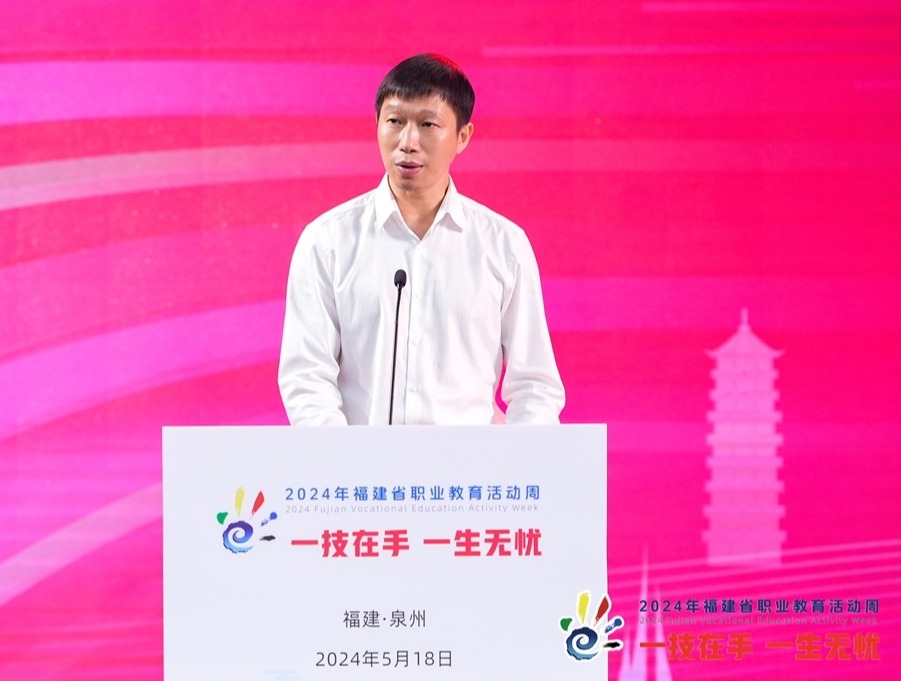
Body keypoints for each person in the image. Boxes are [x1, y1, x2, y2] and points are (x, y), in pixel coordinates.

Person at [278, 54, 564, 425]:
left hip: (472, 462)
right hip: (362, 462)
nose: (408, 142)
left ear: (462, 137)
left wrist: (522, 457)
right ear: (377, 125)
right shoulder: (327, 242)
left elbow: (535, 386)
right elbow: (306, 379)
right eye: (395, 121)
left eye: (428, 124)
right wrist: (344, 458)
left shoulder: (504, 246)